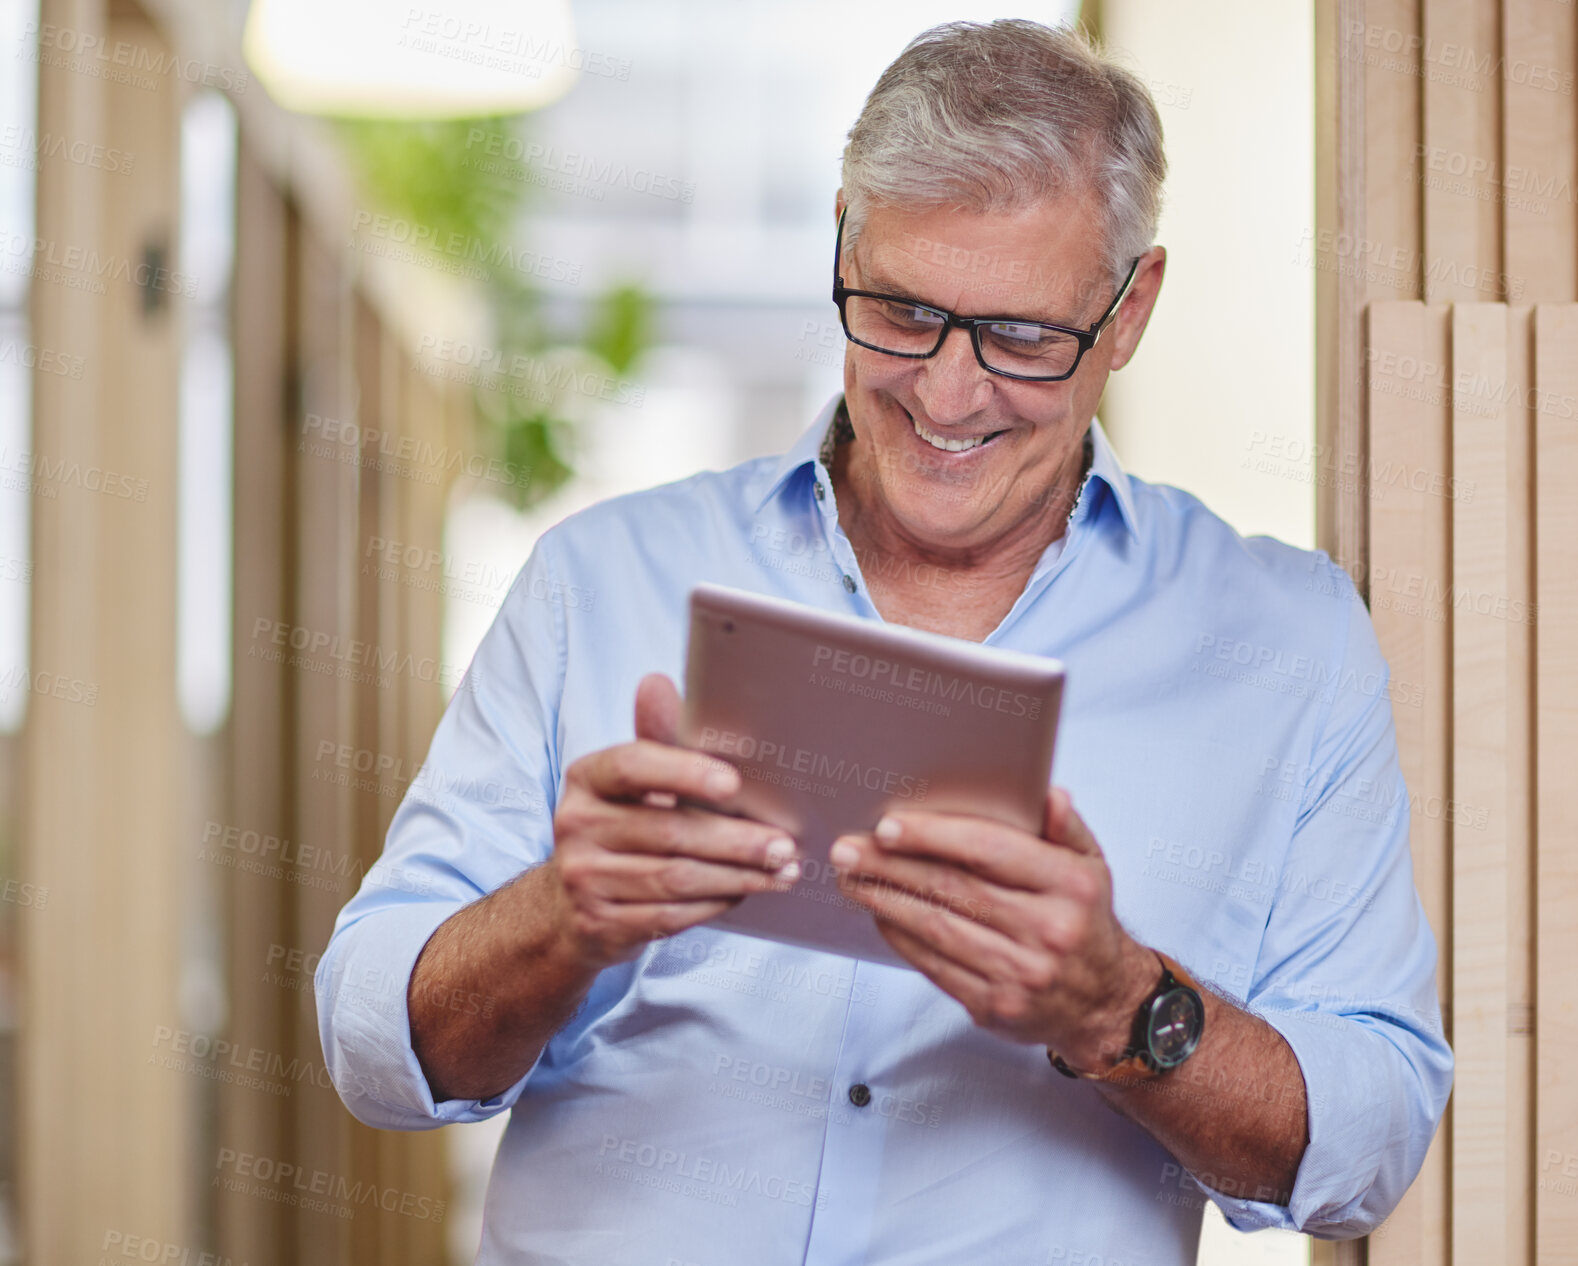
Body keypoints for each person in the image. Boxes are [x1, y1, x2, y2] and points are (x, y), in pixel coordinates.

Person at [317, 19, 1452, 1264]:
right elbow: (372, 1044)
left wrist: (1120, 1005)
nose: (947, 396)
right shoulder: (600, 581)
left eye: (1022, 337)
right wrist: (561, 917)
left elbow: (1372, 1140)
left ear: (1130, 312)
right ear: (844, 242)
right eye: (903, 311)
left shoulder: (1286, 644)